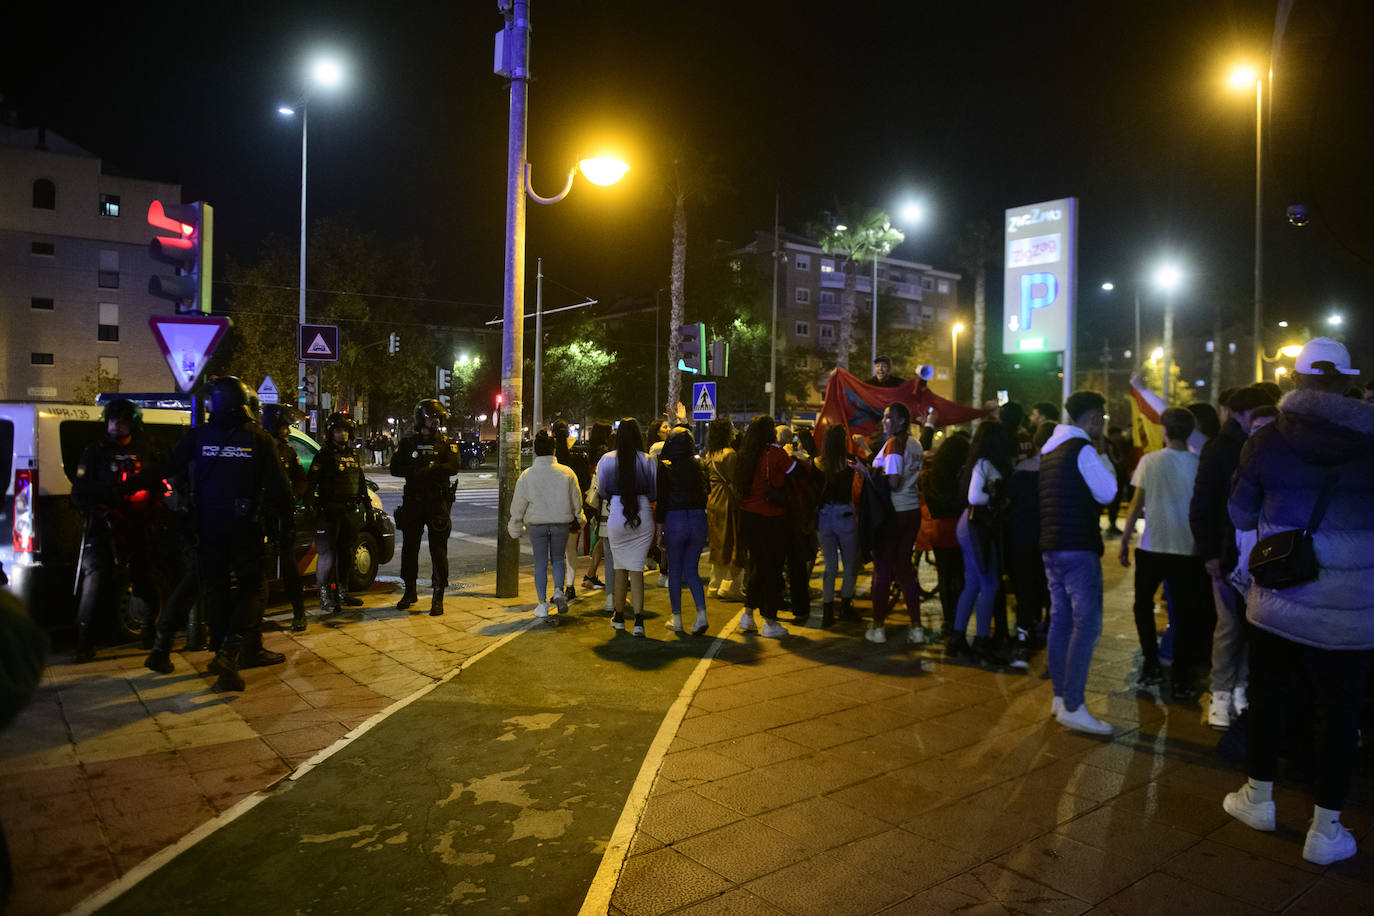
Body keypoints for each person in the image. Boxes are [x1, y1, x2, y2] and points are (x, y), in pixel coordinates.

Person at [1222, 338, 1374, 866]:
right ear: (1348, 381)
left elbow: (1240, 517)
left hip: (1281, 599)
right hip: (1356, 610)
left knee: (1270, 699)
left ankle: (1259, 800)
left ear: (1298, 380)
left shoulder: (1266, 442)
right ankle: (1326, 830)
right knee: (1341, 715)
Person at [157, 377, 293, 691]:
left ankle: (214, 652)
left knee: (214, 590)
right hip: (244, 528)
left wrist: (121, 487)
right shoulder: (258, 438)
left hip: (206, 528)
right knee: (252, 589)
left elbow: (167, 468)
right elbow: (282, 493)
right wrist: (284, 527)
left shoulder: (199, 436)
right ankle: (230, 653)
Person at [1189, 385, 1276, 728]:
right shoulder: (1220, 448)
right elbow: (1203, 504)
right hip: (1227, 553)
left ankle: (1241, 688)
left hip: (1263, 554)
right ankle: (1220, 695)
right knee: (1229, 626)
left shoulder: (1273, 448)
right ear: (1241, 415)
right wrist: (1209, 552)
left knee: (1255, 628)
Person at [1039, 390, 1118, 735]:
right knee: (1087, 626)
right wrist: (1101, 457)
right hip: (1078, 546)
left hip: (1052, 546)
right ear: (1092, 418)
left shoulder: (1050, 450)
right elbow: (1109, 492)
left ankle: (1060, 699)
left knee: (1060, 621)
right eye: (1101, 418)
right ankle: (1074, 704)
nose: (1103, 424)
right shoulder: (1083, 449)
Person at [1118, 407, 1211, 700]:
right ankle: (1182, 672)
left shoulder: (1150, 461)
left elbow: (1136, 503)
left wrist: (1124, 540)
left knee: (1142, 605)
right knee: (1183, 613)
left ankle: (1150, 662)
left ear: (1164, 430)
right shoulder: (1199, 464)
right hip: (1187, 549)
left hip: (1152, 547)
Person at [71, 399, 173, 663]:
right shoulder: (94, 453)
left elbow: (159, 487)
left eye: (123, 421)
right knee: (94, 582)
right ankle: (84, 643)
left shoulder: (146, 450)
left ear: (132, 423)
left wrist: (153, 512)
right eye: (113, 420)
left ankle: (149, 631)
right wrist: (100, 513)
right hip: (103, 528)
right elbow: (80, 492)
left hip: (137, 526)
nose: (117, 426)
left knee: (145, 580)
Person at [948, 421, 1012, 665]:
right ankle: (981, 642)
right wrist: (997, 498)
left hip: (970, 526)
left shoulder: (978, 461)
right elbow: (975, 496)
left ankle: (957, 637)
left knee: (975, 583)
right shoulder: (985, 463)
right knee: (990, 584)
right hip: (977, 527)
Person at [390, 399, 460, 616]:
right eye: (431, 417)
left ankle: (438, 596)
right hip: (414, 502)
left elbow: (453, 466)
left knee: (438, 551)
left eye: (437, 417)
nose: (435, 421)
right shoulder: (409, 443)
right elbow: (394, 468)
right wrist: (415, 470)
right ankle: (409, 591)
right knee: (410, 549)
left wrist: (431, 469)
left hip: (437, 503)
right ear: (421, 418)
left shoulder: (447, 443)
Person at [866, 403, 925, 644]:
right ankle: (916, 627)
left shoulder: (895, 444)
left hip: (894, 513)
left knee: (883, 569)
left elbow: (893, 482)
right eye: (884, 416)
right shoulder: (916, 443)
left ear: (902, 421)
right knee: (904, 569)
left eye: (890, 417)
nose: (884, 420)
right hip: (912, 510)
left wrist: (866, 472)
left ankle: (878, 627)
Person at [508, 431, 583, 619]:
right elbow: (576, 499)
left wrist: (515, 524)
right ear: (554, 450)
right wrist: (579, 517)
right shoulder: (567, 473)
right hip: (561, 522)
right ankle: (558, 590)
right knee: (558, 559)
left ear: (535, 451)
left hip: (537, 524)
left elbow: (518, 504)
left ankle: (542, 604)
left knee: (540, 563)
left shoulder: (527, 475)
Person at [735, 415, 796, 638]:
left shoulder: (744, 455)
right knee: (772, 569)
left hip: (748, 517)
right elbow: (794, 472)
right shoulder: (776, 454)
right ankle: (770, 621)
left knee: (757, 566)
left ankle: (748, 615)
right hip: (771, 518)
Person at [595, 418, 657, 635]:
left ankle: (619, 617)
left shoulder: (606, 460)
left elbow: (602, 491)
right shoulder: (648, 460)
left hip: (617, 514)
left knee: (619, 568)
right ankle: (639, 622)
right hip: (643, 513)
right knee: (637, 570)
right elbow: (654, 492)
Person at [309, 412, 369, 615]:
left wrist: (367, 505)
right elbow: (311, 484)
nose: (342, 434)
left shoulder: (352, 454)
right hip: (329, 512)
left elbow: (360, 481)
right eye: (337, 430)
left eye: (345, 430)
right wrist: (316, 506)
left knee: (346, 553)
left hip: (348, 511)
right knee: (327, 555)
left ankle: (343, 592)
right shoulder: (324, 455)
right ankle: (325, 597)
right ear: (330, 433)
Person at [655, 428, 711, 634]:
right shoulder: (700, 464)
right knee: (692, 570)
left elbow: (662, 502)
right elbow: (708, 492)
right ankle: (702, 614)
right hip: (697, 518)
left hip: (674, 519)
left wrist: (659, 532)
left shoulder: (665, 466)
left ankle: (676, 618)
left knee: (675, 571)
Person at [261, 404, 309, 633]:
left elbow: (301, 479)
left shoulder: (288, 452)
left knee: (289, 565)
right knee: (258, 568)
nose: (287, 432)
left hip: (283, 516)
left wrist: (294, 496)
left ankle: (299, 612)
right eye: (283, 427)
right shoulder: (260, 448)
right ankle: (256, 615)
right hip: (261, 516)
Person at [815, 424, 867, 628]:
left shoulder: (818, 463)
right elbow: (872, 468)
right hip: (845, 516)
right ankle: (845, 606)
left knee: (829, 566)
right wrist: (863, 444)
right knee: (849, 565)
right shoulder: (850, 461)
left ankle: (828, 612)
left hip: (823, 517)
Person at [919, 432, 969, 639]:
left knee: (945, 575)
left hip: (939, 529)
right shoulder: (963, 475)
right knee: (960, 576)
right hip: (961, 528)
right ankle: (959, 620)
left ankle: (948, 621)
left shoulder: (931, 475)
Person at [704, 418, 745, 601]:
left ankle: (714, 585)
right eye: (731, 429)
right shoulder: (730, 454)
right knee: (733, 543)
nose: (734, 431)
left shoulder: (710, 455)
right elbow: (737, 481)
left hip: (713, 501)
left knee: (717, 544)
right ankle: (730, 586)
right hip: (728, 501)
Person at [553, 420, 590, 601]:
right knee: (571, 552)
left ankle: (558, 589)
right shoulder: (578, 455)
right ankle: (570, 586)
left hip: (553, 510)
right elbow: (584, 485)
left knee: (557, 554)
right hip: (571, 510)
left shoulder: (551, 456)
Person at [581, 421, 614, 592]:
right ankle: (593, 575)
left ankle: (591, 574)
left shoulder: (592, 449)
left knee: (602, 539)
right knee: (604, 539)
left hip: (594, 499)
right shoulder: (605, 452)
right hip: (603, 500)